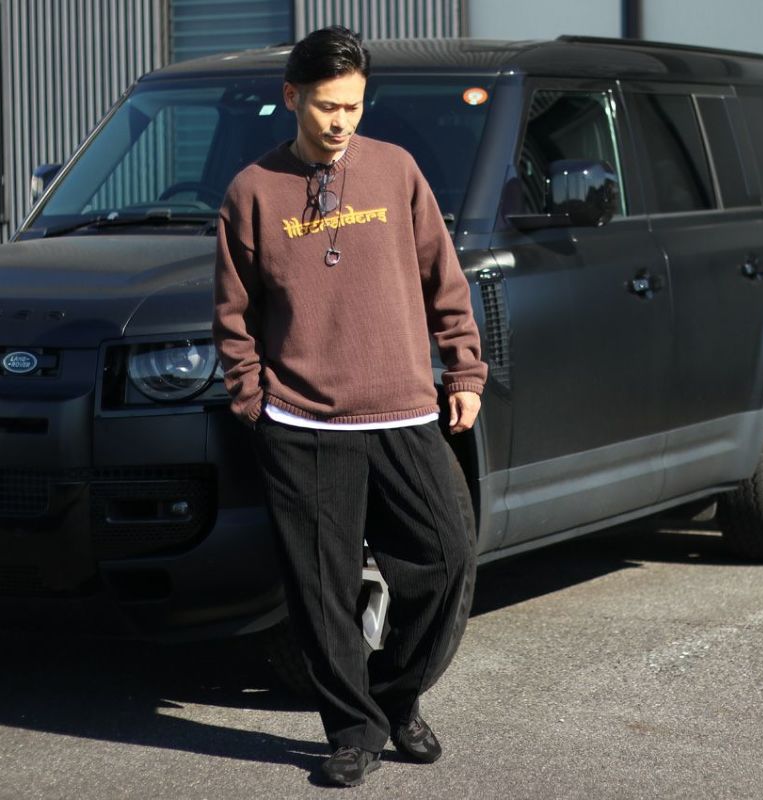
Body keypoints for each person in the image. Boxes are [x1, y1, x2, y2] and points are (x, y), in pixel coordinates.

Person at [213, 25, 487, 788]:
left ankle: (393, 697)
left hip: (402, 410)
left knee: (447, 559)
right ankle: (353, 731)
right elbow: (234, 316)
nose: (341, 122)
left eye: (354, 107)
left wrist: (464, 372)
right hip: (301, 423)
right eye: (328, 106)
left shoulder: (396, 171)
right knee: (321, 593)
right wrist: (252, 401)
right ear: (292, 97)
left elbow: (444, 280)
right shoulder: (251, 192)